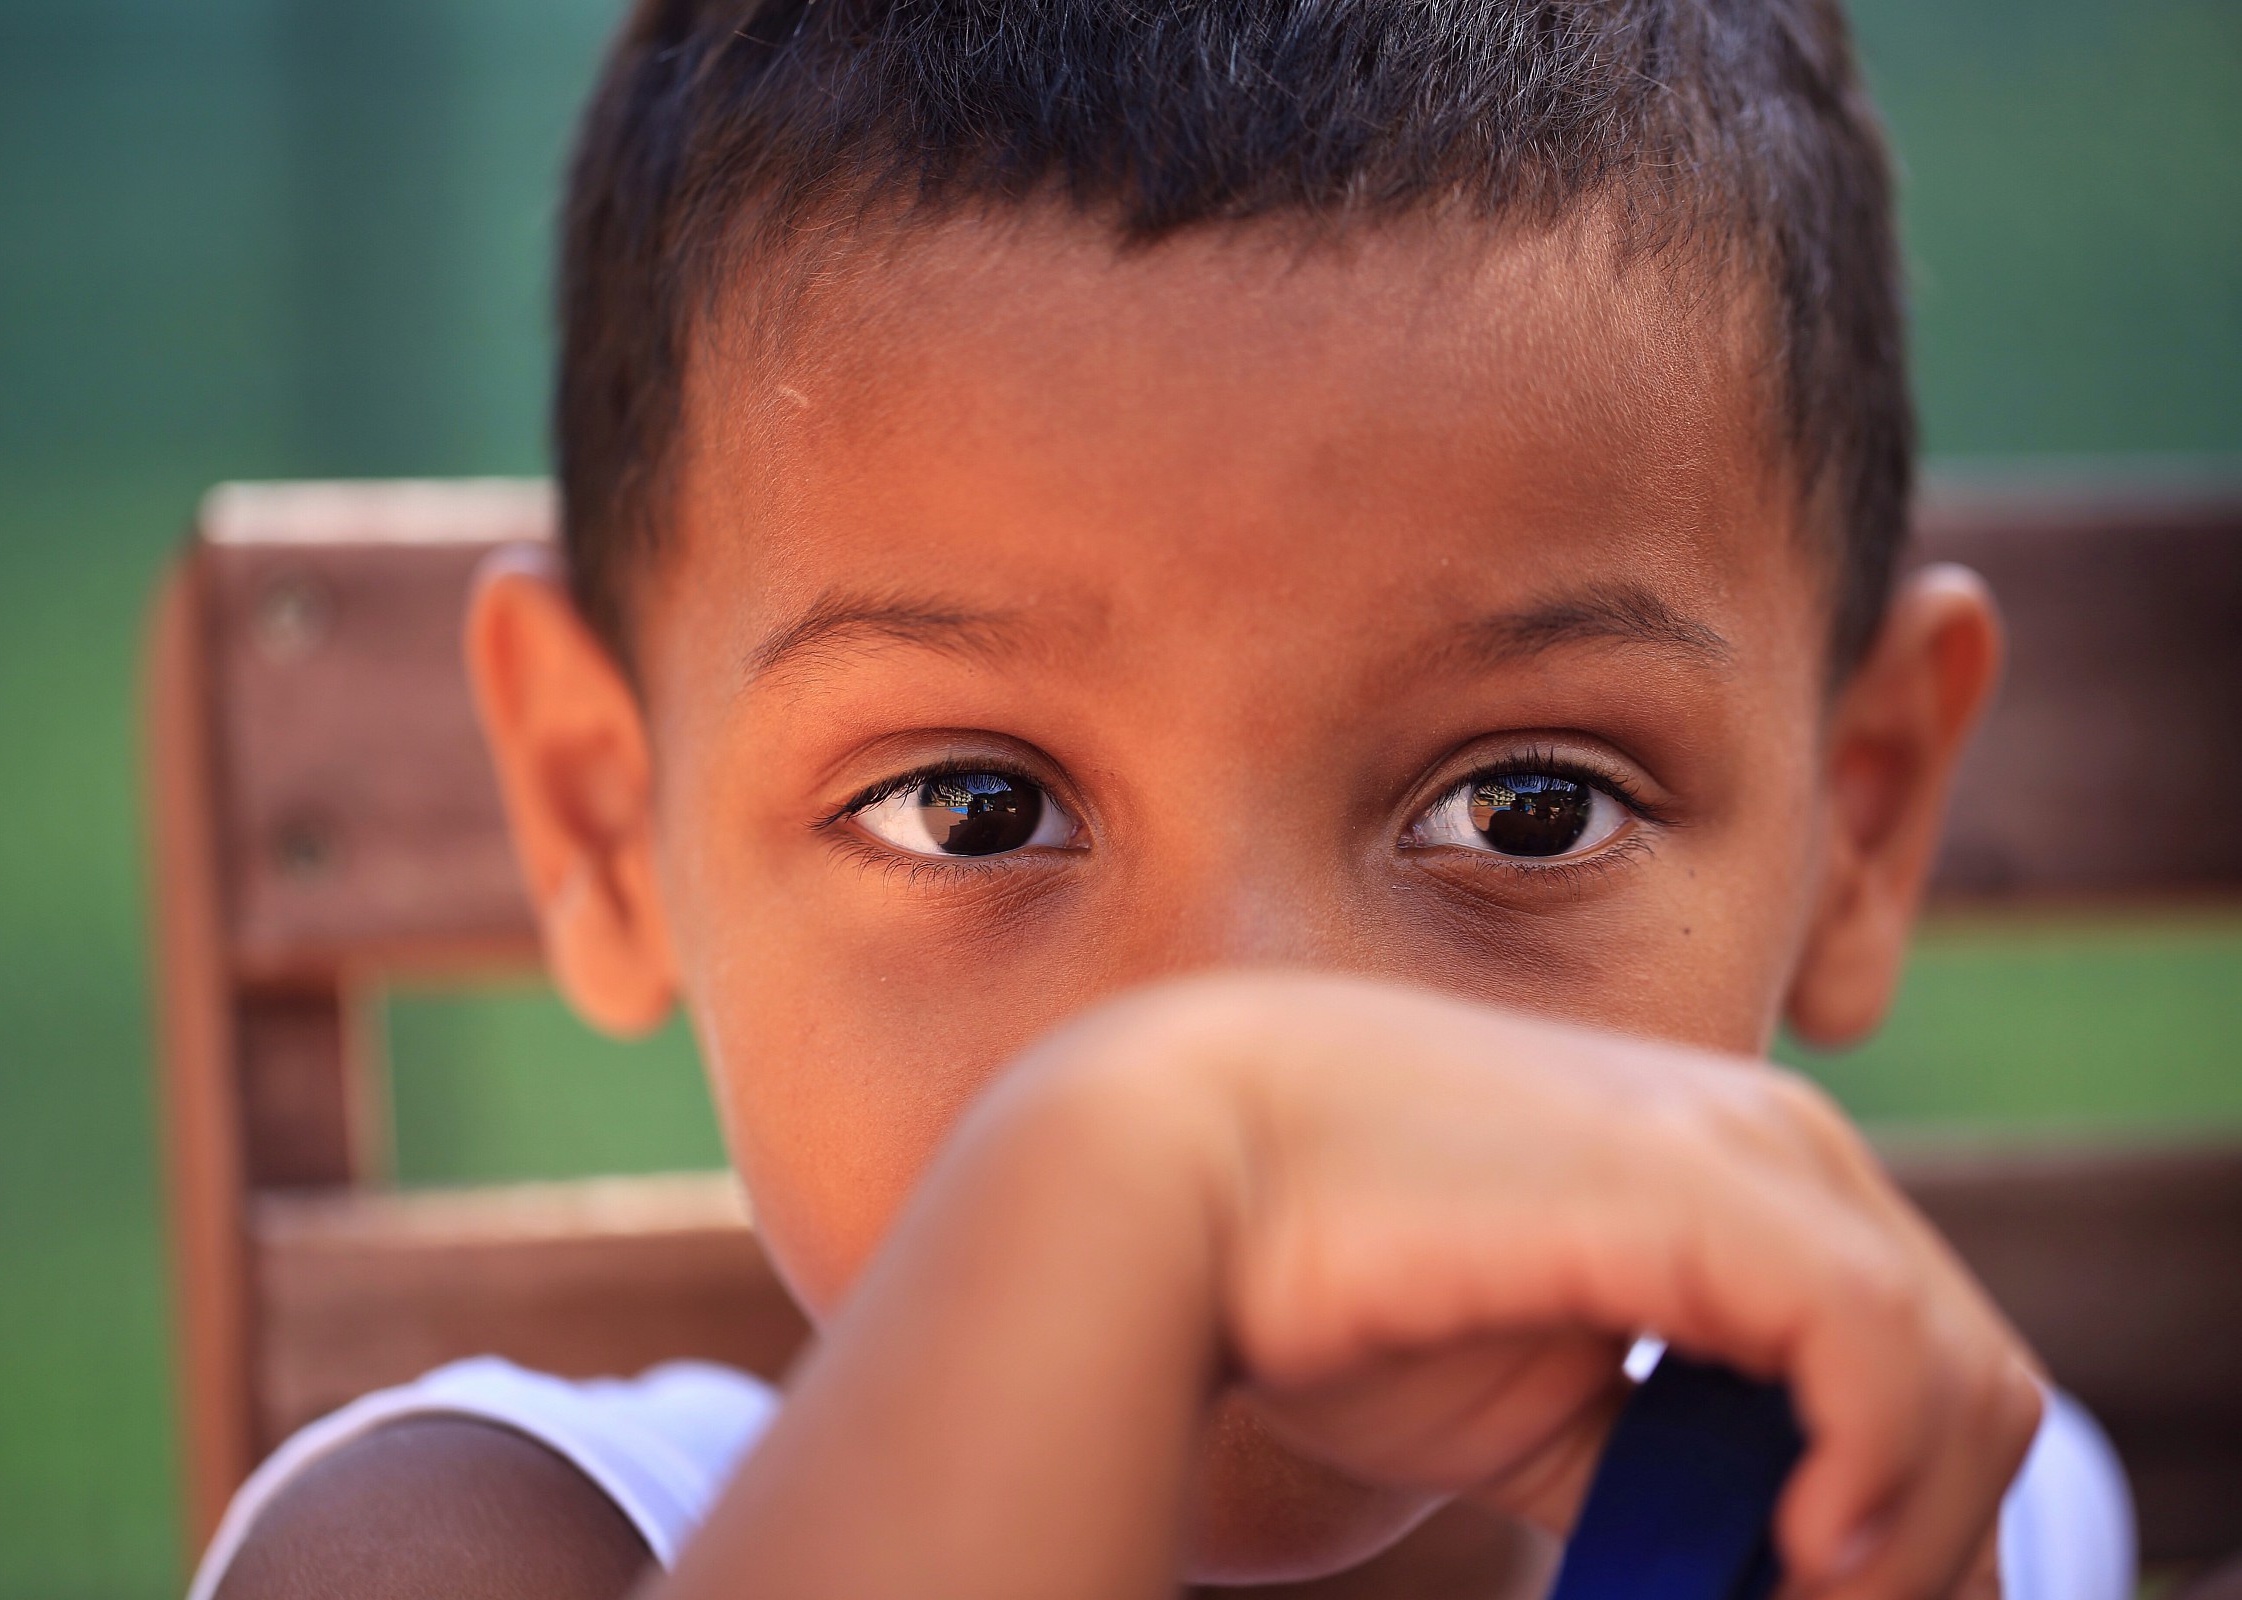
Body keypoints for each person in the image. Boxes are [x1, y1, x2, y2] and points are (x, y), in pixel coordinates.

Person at [192, 1, 2137, 1596]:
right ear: (609, 821)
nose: (1256, 1033)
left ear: (1856, 814)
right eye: (973, 806)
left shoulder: (1964, 1518)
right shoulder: (462, 1544)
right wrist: (1135, 1166)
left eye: (1528, 808)